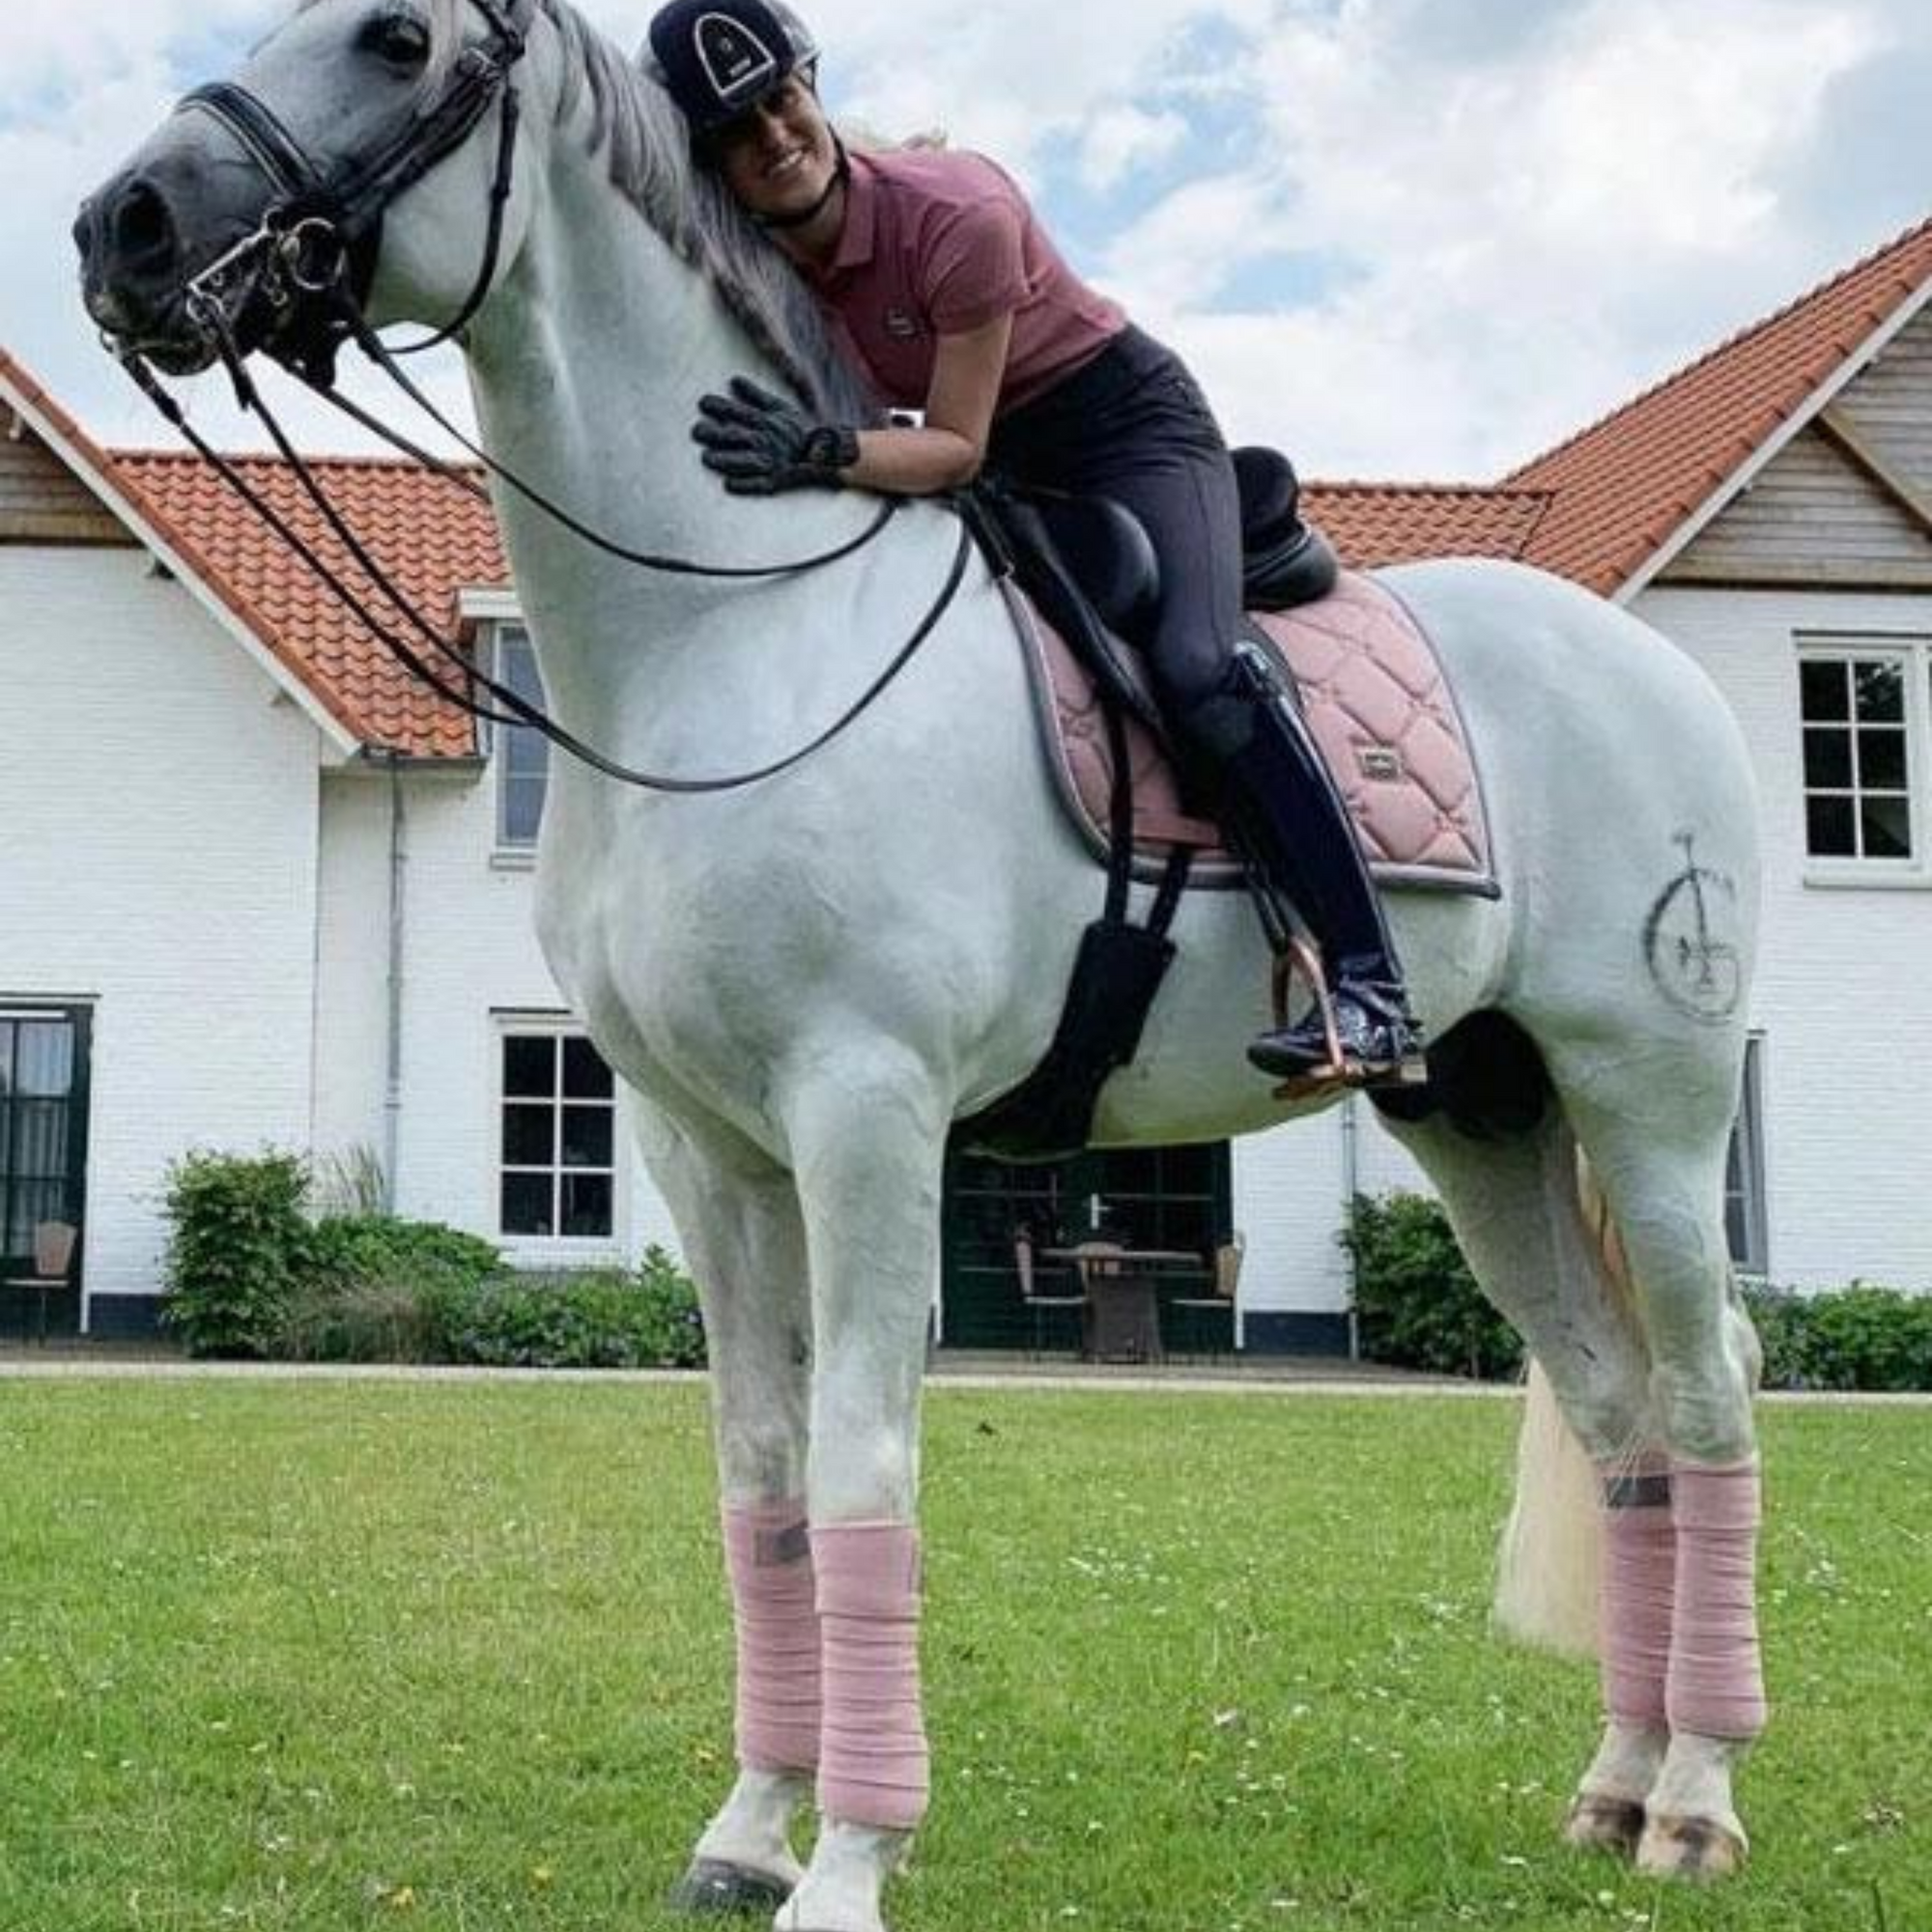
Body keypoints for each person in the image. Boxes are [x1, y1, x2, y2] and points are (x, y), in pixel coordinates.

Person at [647, 0, 1425, 1088]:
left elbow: (954, 445)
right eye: (737, 130)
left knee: (1198, 666)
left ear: (811, 86)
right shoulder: (757, 264)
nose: (773, 137)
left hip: (1122, 430)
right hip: (1006, 463)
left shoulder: (956, 210)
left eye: (780, 100)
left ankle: (1372, 986)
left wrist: (820, 451)